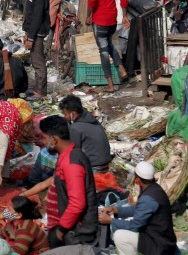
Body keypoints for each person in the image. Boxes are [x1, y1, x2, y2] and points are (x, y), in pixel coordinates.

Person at [39, 114, 99, 247]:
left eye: (44, 138)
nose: (43, 142)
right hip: (69, 227)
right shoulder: (66, 155)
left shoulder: (72, 162)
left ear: (53, 139)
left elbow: (77, 203)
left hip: (77, 232)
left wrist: (61, 230)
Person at [99, 161, 177, 255]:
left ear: (138, 180)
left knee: (120, 236)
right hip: (160, 237)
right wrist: (117, 210)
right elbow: (139, 208)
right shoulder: (155, 189)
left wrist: (111, 221)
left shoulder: (148, 198)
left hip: (159, 245)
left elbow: (135, 226)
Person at [83, 0, 130, 91]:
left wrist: (88, 15)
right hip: (112, 19)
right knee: (108, 44)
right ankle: (121, 69)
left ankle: (110, 85)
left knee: (103, 51)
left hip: (100, 19)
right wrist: (125, 16)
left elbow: (92, 0)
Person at [59, 94, 113, 171]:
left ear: (73, 114)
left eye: (65, 114)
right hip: (105, 162)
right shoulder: (91, 120)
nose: (65, 117)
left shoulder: (75, 128)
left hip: (94, 166)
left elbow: (73, 150)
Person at [22, 0, 53, 98]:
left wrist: (31, 38)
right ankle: (36, 89)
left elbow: (37, 17)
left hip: (38, 33)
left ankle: (41, 91)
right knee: (35, 61)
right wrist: (26, 32)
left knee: (38, 62)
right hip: (33, 32)